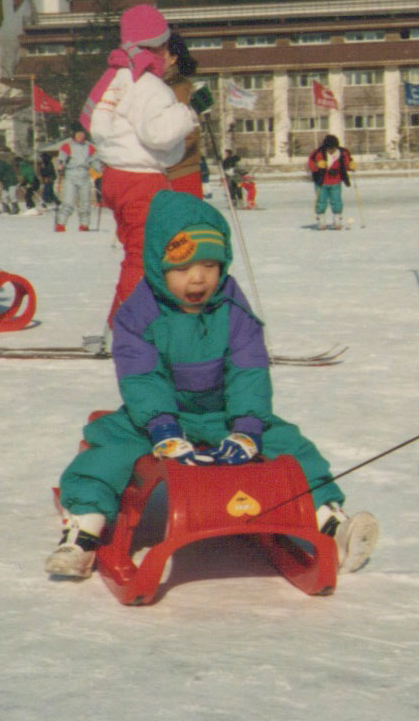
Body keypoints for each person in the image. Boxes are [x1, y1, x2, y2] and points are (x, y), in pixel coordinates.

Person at [46, 190, 379, 578]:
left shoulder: (232, 308)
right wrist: (162, 428)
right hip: (158, 417)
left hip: (224, 413)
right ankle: (85, 530)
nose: (199, 277)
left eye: (209, 264)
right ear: (158, 265)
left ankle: (330, 522)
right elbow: (142, 377)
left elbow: (248, 370)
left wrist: (248, 428)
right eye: (183, 267)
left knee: (291, 446)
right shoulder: (139, 314)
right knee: (108, 450)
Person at [82, 4, 207, 326]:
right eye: (164, 45)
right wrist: (189, 112)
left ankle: (134, 320)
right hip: (140, 181)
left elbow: (94, 121)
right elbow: (160, 134)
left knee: (137, 254)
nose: (168, 54)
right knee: (145, 256)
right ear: (156, 46)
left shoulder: (115, 78)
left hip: (114, 176)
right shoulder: (148, 84)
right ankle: (127, 326)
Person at [161, 30, 206, 199]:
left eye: (160, 53)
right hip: (163, 172)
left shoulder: (181, 88)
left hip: (181, 171)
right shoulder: (154, 85)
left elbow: (189, 133)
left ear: (173, 58)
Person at [54, 128, 101, 231]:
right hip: (71, 174)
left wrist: (101, 170)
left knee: (85, 202)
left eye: (82, 134)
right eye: (78, 134)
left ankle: (84, 224)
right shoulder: (67, 146)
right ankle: (61, 223)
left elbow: (94, 160)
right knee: (68, 201)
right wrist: (60, 166)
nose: (80, 136)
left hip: (84, 174)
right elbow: (61, 158)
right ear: (74, 135)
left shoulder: (89, 147)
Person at [307, 134, 353, 229]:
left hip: (336, 181)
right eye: (329, 148)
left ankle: (337, 218)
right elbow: (311, 165)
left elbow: (347, 164)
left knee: (336, 201)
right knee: (321, 201)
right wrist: (317, 165)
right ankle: (321, 219)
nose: (331, 150)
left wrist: (351, 166)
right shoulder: (318, 153)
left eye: (333, 148)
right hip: (321, 181)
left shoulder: (343, 153)